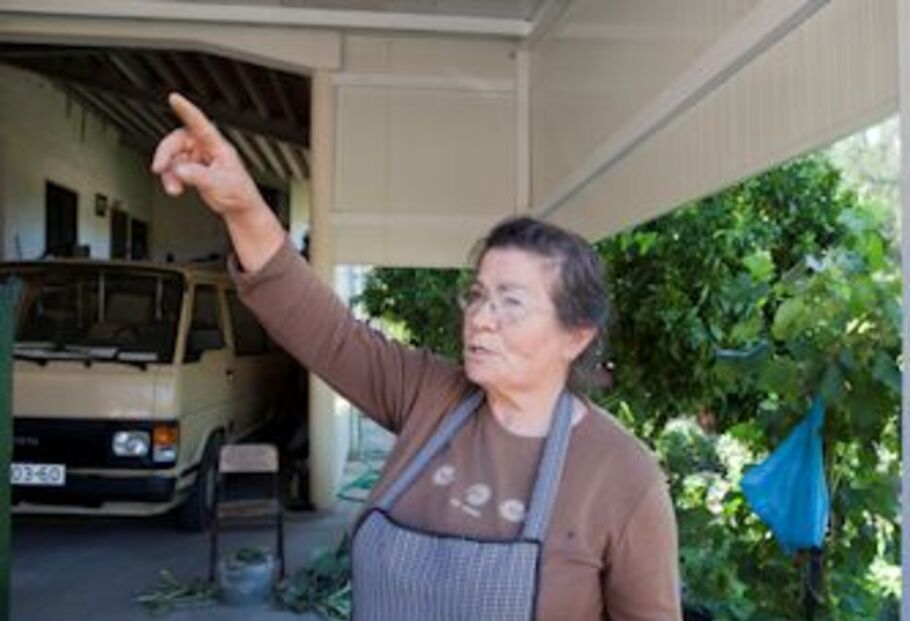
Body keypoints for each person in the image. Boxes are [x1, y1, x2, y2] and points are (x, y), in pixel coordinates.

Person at [152, 93, 682, 621]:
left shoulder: (623, 476)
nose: (481, 318)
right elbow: (321, 328)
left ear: (576, 337)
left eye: (511, 302)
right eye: (478, 295)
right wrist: (243, 206)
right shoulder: (429, 395)